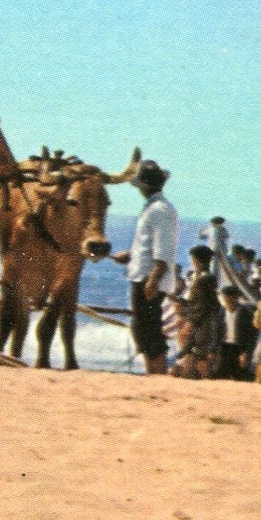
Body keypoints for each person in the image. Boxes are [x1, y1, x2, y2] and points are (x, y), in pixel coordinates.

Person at [112, 159, 177, 375]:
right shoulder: (154, 208)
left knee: (149, 330)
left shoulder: (160, 210)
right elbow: (149, 245)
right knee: (142, 328)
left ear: (145, 186)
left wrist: (153, 279)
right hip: (143, 274)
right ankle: (154, 371)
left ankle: (156, 373)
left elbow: (163, 250)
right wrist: (130, 256)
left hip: (148, 278)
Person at [175, 245, 221, 379]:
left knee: (201, 355)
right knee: (196, 353)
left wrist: (190, 322)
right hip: (203, 320)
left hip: (202, 322)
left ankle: (207, 381)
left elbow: (202, 305)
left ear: (195, 260)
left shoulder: (203, 279)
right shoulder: (204, 277)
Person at [216, 284, 255, 381]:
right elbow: (217, 331)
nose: (226, 300)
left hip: (239, 348)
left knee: (240, 376)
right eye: (224, 297)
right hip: (225, 346)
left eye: (228, 297)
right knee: (221, 375)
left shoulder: (245, 312)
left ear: (235, 297)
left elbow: (251, 335)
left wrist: (246, 353)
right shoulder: (221, 311)